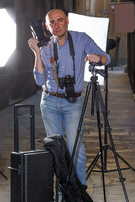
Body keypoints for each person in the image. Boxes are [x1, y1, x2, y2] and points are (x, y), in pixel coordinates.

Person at [28, 9, 110, 186]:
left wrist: (99, 58)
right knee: (56, 150)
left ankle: (79, 192)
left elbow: (107, 58)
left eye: (60, 21)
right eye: (52, 22)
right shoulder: (45, 45)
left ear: (66, 21)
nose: (57, 25)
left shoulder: (81, 39)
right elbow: (40, 80)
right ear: (48, 26)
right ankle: (61, 192)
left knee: (76, 150)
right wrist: (36, 53)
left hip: (73, 103)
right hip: (49, 102)